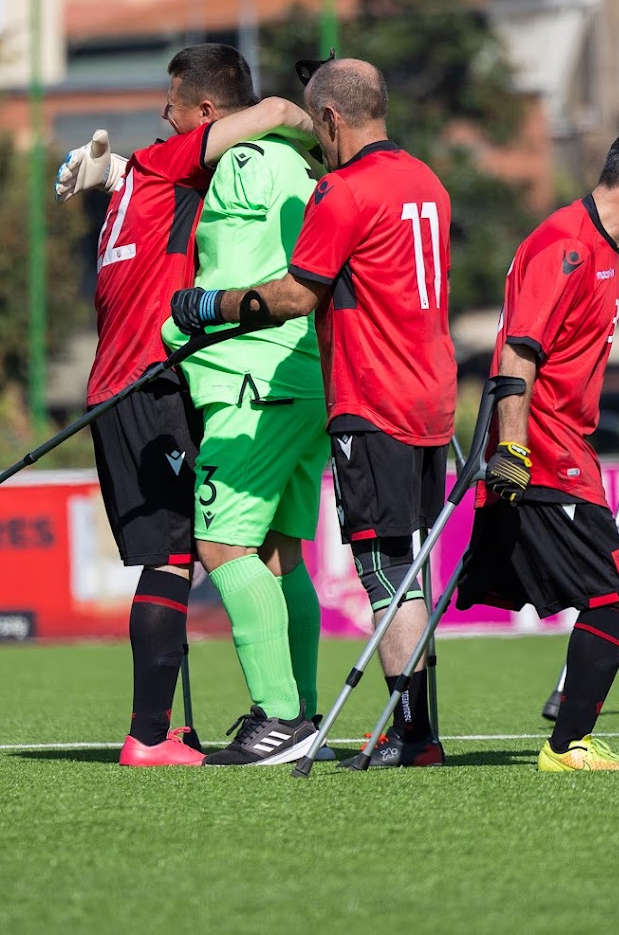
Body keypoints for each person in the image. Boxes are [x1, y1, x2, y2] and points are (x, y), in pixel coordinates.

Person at [172, 58, 457, 769]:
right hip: (430, 393)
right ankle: (404, 729)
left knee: (376, 571)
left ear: (330, 119)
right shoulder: (428, 181)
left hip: (366, 393)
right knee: (361, 564)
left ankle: (349, 725)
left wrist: (209, 306)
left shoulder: (345, 189)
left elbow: (299, 294)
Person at [54, 43, 317, 767]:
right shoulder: (175, 164)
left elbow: (273, 110)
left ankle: (228, 723)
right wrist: (327, 137)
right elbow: (284, 115)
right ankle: (166, 732)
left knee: (225, 548)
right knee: (207, 551)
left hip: (148, 377)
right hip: (180, 377)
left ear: (205, 112)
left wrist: (103, 168)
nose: (162, 118)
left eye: (172, 106)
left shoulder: (162, 166)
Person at [453, 120, 619, 772]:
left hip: (570, 451)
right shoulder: (566, 244)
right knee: (615, 586)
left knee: (603, 590)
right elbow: (516, 353)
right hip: (543, 450)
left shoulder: (600, 247)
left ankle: (443, 732)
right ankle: (567, 746)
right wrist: (513, 450)